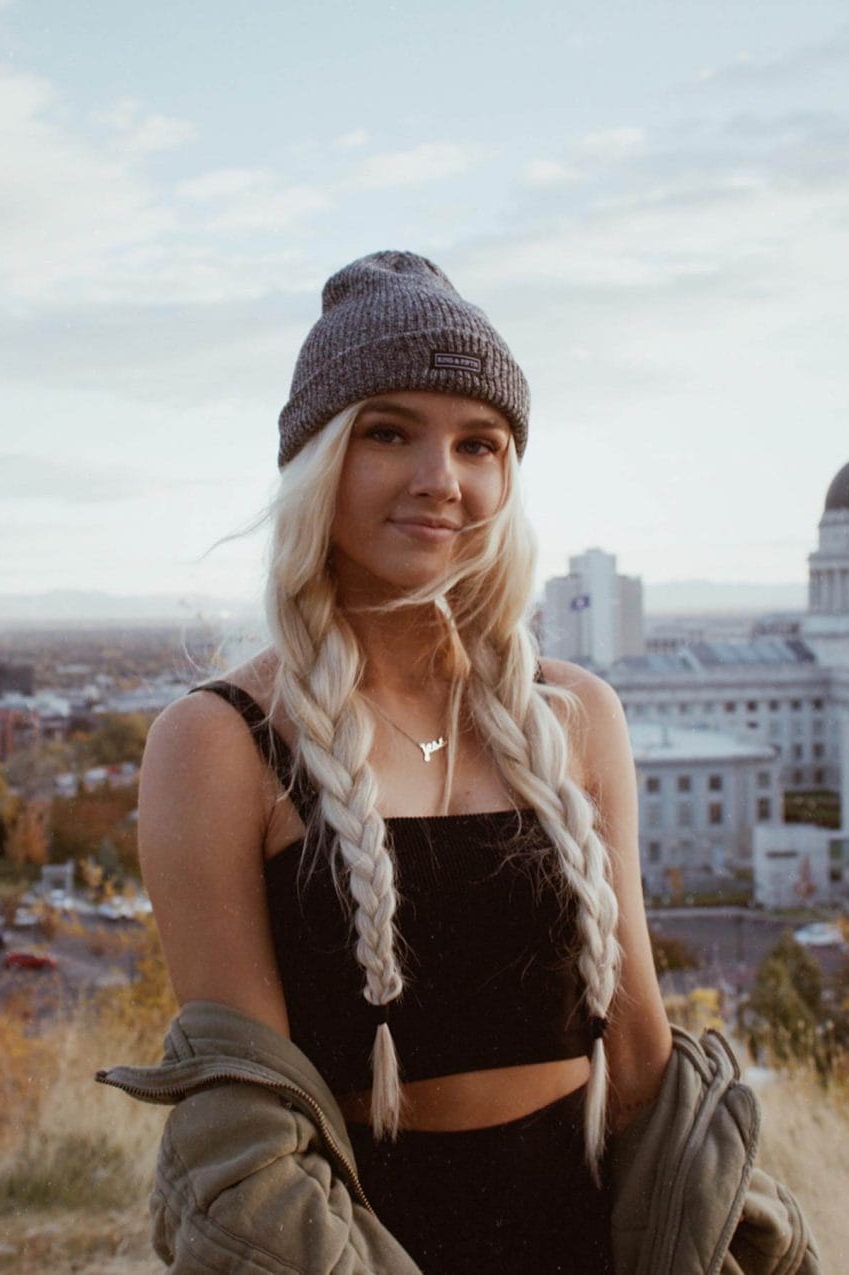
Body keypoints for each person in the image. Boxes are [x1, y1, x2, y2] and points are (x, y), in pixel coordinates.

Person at [132, 251, 679, 1272]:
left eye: (479, 446)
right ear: (316, 462)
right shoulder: (217, 743)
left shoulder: (579, 717)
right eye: (389, 433)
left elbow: (639, 1048)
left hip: (593, 1241)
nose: (441, 482)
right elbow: (247, 1123)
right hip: (345, 1250)